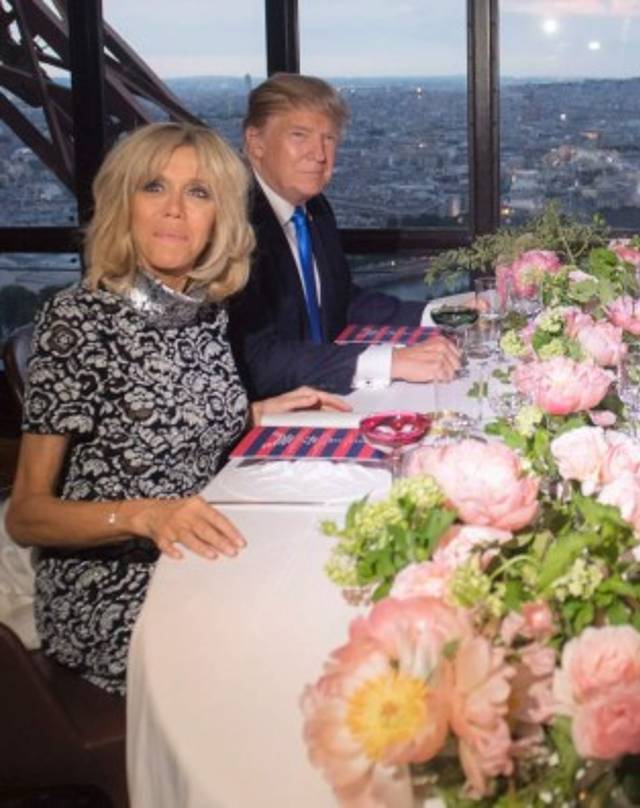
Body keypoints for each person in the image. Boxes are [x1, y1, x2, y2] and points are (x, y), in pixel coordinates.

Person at [4, 123, 349, 694]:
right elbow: (26, 515)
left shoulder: (205, 309)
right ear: (123, 204)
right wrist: (147, 515)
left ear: (221, 217)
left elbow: (171, 418)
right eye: (153, 187)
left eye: (198, 193)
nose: (174, 211)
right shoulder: (77, 322)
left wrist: (259, 411)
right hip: (114, 588)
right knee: (304, 646)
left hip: (199, 551)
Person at [230, 73, 459, 397]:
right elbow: (258, 362)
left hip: (320, 388)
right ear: (256, 143)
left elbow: (340, 301)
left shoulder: (314, 209)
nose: (319, 154)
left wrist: (440, 314)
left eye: (329, 139)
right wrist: (390, 362)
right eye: (300, 136)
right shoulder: (234, 226)